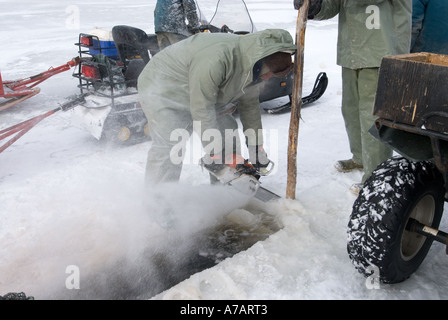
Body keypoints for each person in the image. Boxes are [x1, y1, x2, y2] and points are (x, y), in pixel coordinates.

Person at [138, 29, 297, 185]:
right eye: (269, 72)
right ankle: (158, 203)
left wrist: (256, 148)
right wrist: (215, 154)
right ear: (262, 60)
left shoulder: (254, 68)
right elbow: (202, 108)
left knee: (228, 133)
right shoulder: (218, 58)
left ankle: (224, 192)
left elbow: (250, 107)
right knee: (171, 144)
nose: (269, 77)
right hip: (164, 89)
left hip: (202, 93)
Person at [293, 0, 412, 194]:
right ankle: (360, 157)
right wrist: (316, 7)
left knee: (373, 116)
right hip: (352, 52)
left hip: (381, 52)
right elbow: (335, 5)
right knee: (350, 110)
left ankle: (376, 173)